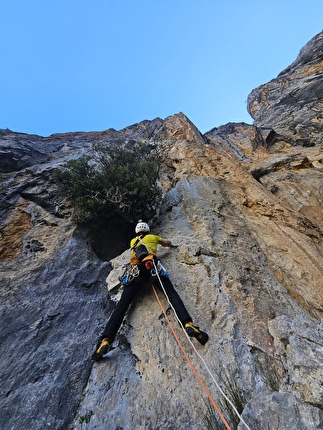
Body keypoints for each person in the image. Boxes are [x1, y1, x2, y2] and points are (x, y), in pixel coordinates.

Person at [92, 221, 209, 361]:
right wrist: (170, 244)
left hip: (136, 273)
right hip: (152, 268)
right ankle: (188, 324)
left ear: (137, 231)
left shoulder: (133, 241)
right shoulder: (153, 237)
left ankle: (106, 340)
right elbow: (167, 243)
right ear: (147, 230)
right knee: (171, 294)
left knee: (123, 305)